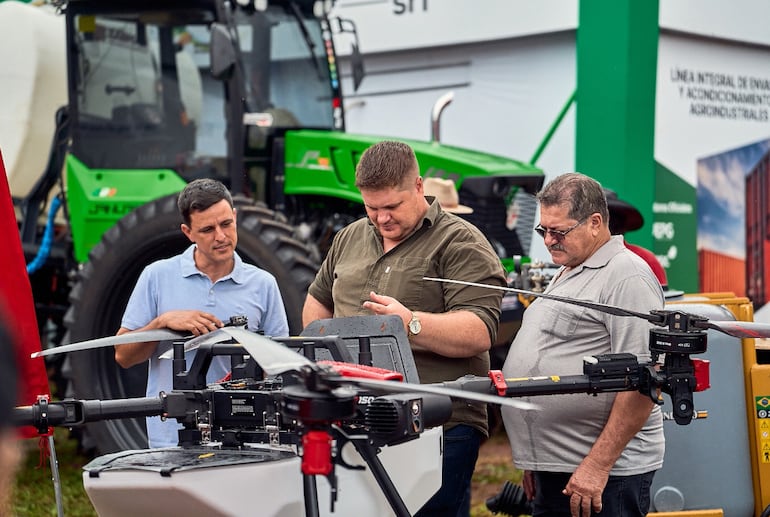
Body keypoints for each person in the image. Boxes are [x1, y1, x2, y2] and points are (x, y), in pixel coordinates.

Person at [301, 140, 507, 517]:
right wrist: (323, 348)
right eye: (371, 207)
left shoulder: (461, 241)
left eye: (392, 207)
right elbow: (318, 298)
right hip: (354, 419)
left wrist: (408, 323)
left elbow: (479, 331)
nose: (381, 218)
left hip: (438, 422)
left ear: (418, 186)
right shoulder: (349, 237)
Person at [501, 173, 664, 517]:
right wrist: (536, 459)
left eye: (559, 231)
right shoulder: (573, 266)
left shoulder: (627, 276)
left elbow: (646, 382)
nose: (549, 240)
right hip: (559, 468)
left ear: (594, 223)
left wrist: (597, 466)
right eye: (543, 230)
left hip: (604, 477)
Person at [115, 178, 289, 448]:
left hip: (243, 442)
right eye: (207, 229)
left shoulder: (263, 284)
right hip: (172, 440)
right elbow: (123, 356)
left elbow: (280, 368)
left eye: (226, 224)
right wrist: (163, 322)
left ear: (235, 217)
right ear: (188, 232)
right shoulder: (156, 276)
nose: (220, 236)